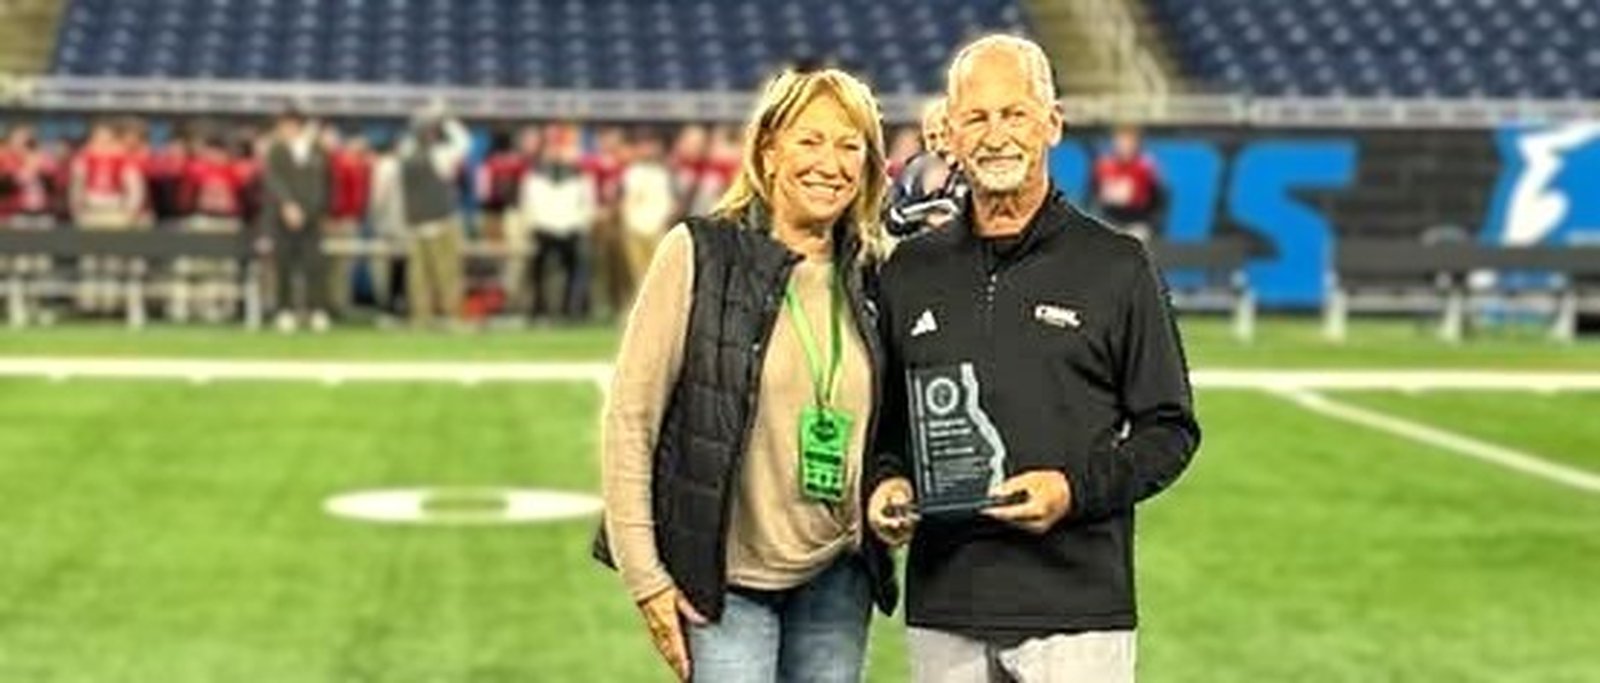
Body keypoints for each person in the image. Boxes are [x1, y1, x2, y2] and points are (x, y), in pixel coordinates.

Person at [867, 35, 1201, 683]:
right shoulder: (908, 272)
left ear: (1052, 123)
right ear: (950, 134)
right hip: (946, 606)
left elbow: (1170, 430)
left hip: (1077, 610)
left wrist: (1073, 490)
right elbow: (887, 428)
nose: (996, 135)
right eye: (976, 117)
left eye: (1014, 113)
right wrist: (886, 483)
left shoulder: (1117, 265)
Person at [595, 67, 897, 682]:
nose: (831, 163)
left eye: (850, 145)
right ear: (769, 149)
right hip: (724, 579)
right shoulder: (698, 254)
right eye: (810, 140)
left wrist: (891, 492)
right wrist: (646, 577)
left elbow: (892, 428)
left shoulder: (877, 274)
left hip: (839, 575)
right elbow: (631, 418)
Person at [397, 105, 470, 329]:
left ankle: (423, 317)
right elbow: (464, 143)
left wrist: (430, 117)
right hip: (438, 221)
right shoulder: (439, 155)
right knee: (445, 274)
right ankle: (450, 316)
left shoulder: (406, 153)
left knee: (421, 276)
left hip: (420, 222)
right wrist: (445, 118)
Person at [260, 108, 331, 333]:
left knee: (314, 265)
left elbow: (322, 184)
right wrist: (288, 204)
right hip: (283, 217)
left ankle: (317, 310)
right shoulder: (276, 150)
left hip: (311, 217)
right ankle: (285, 310)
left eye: (288, 125)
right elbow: (273, 180)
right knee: (284, 265)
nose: (285, 130)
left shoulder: (317, 151)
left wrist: (310, 212)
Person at [69, 119, 145, 315]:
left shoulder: (123, 158)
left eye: (106, 137)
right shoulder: (84, 157)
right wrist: (77, 210)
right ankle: (89, 305)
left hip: (114, 210)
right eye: (97, 137)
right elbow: (77, 185)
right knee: (90, 261)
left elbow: (134, 186)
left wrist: (130, 212)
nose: (102, 142)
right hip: (92, 210)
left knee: (113, 261)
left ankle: (110, 305)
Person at [520, 128, 595, 322]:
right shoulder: (534, 177)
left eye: (561, 148)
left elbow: (587, 207)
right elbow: (529, 206)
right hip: (544, 230)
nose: (557, 154)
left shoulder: (581, 178)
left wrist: (576, 225)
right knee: (536, 263)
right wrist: (538, 226)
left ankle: (572, 309)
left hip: (570, 229)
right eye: (552, 148)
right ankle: (539, 309)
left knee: (578, 261)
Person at [886, 97, 968, 237]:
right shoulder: (914, 170)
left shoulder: (976, 170)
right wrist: (926, 212)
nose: (939, 145)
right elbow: (893, 221)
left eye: (945, 135)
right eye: (932, 137)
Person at [616, 131, 675, 308]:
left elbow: (670, 202)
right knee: (638, 273)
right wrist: (628, 223)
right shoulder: (632, 173)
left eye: (651, 145)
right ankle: (639, 308)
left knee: (658, 270)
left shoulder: (663, 173)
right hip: (635, 227)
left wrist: (664, 220)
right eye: (644, 145)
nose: (648, 149)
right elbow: (627, 201)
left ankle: (659, 307)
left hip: (657, 227)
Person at [1088, 124, 1167, 242]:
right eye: (1120, 140)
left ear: (1136, 143)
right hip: (1109, 220)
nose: (1124, 145)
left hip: (1137, 223)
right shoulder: (1103, 166)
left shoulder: (1146, 167)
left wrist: (1152, 222)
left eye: (1128, 141)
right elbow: (1094, 195)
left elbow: (1159, 198)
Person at [325, 128, 372, 316]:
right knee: (337, 267)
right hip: (339, 220)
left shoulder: (351, 164)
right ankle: (335, 304)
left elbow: (357, 196)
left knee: (342, 267)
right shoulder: (339, 164)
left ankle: (338, 303)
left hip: (345, 220)